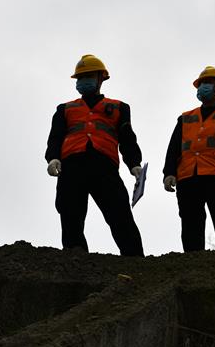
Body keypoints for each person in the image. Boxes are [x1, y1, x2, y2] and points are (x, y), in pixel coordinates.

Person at [45, 54, 144, 256]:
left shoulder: (119, 107)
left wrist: (134, 163)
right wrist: (53, 157)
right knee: (70, 213)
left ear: (101, 78)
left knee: (119, 213)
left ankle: (134, 259)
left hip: (103, 165)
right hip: (72, 165)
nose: (83, 81)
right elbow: (55, 137)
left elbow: (127, 138)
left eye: (88, 76)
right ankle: (76, 258)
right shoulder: (65, 109)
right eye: (80, 77)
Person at [162, 66, 215, 252]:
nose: (202, 87)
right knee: (190, 223)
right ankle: (193, 260)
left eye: (207, 83)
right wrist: (169, 172)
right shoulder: (185, 118)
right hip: (187, 176)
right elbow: (174, 147)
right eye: (201, 84)